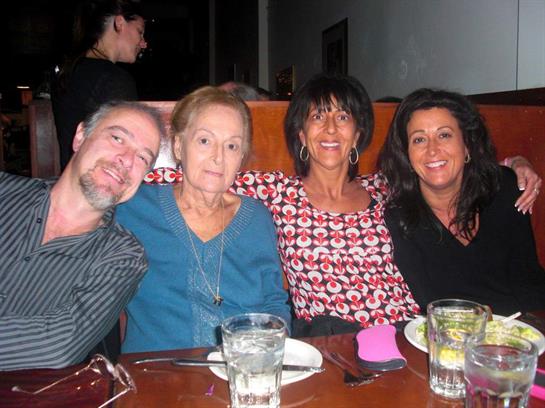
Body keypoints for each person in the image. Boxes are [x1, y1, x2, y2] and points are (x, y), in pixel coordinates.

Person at [146, 73, 541, 336]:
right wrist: (126, 172)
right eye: (318, 116)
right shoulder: (277, 192)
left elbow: (445, 167)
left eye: (343, 116)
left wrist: (513, 165)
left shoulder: (388, 189)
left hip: (408, 333)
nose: (331, 128)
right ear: (302, 133)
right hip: (332, 342)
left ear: (358, 133)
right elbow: (199, 173)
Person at [116, 87, 290, 352]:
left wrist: (267, 349)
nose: (218, 158)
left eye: (231, 146)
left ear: (241, 158)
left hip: (241, 366)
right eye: (205, 141)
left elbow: (274, 303)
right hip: (156, 369)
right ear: (178, 146)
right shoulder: (134, 207)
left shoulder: (257, 218)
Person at [0, 101, 165, 370]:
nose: (126, 160)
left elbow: (58, 346)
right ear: (80, 136)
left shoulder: (124, 257)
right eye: (117, 138)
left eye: (143, 158)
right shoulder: (4, 192)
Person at [379, 88, 545, 315]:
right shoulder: (398, 216)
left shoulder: (505, 189)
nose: (432, 150)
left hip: (517, 328)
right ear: (407, 154)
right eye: (419, 139)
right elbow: (429, 304)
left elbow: (529, 282)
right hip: (447, 332)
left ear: (467, 144)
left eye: (444, 135)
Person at [52, 0, 148, 170]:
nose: (143, 43)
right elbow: (126, 149)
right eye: (140, 32)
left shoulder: (71, 71)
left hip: (73, 176)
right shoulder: (113, 79)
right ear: (119, 23)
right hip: (101, 180)